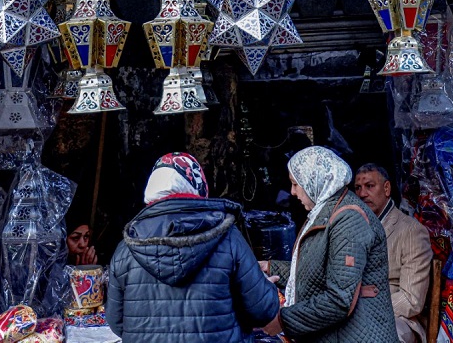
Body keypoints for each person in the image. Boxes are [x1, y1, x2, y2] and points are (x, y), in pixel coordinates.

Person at [106, 152, 280, 343]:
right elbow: (263, 311)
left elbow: (117, 322)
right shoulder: (229, 238)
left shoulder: (127, 248)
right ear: (197, 185)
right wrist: (265, 287)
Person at [264, 146, 398, 343]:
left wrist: (283, 321)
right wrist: (269, 267)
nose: (292, 192)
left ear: (314, 180)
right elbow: (318, 269)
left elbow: (339, 300)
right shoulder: (327, 212)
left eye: (295, 184)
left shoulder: (349, 219)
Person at [353, 164, 432, 343]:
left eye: (369, 186)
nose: (362, 194)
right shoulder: (353, 227)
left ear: (386, 188)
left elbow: (411, 299)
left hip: (399, 319)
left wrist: (363, 310)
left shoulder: (411, 231)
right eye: (358, 188)